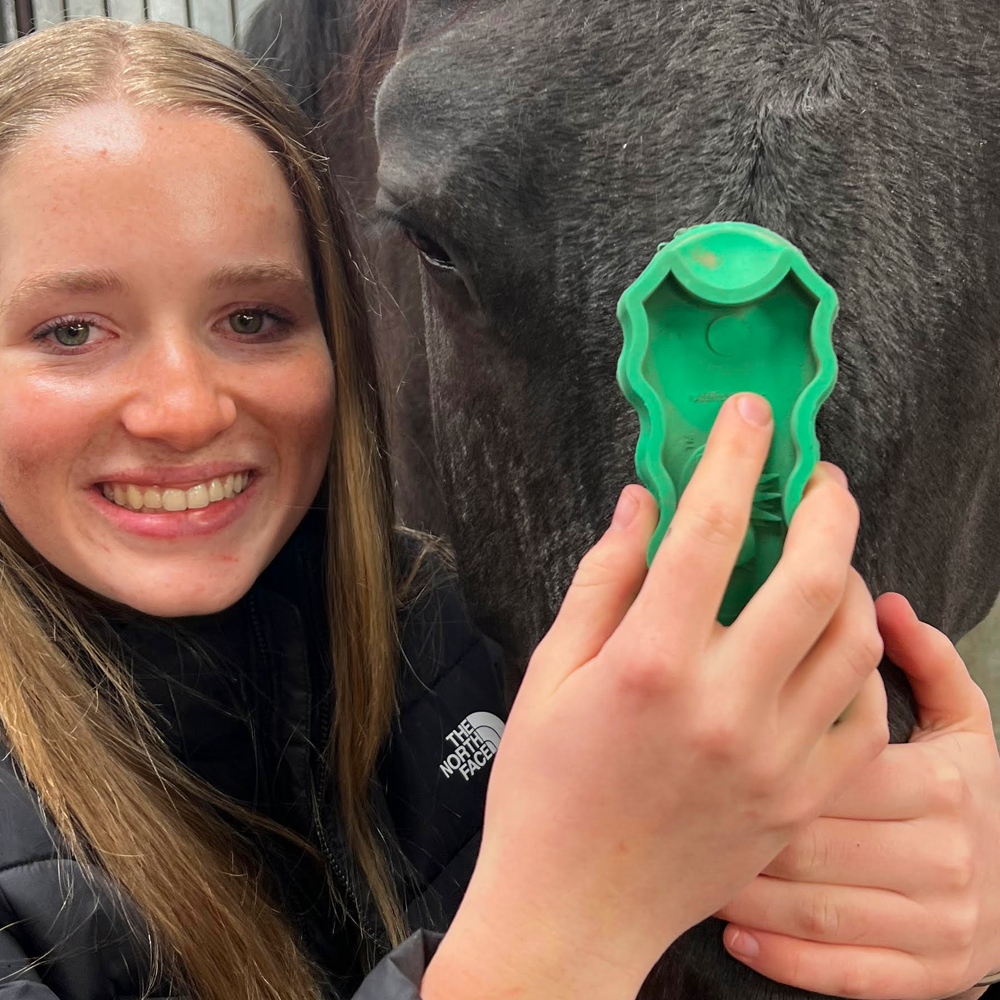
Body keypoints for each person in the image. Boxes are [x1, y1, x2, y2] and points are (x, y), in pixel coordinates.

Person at [0, 15, 994, 1000]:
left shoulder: (434, 631)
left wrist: (939, 888)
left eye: (253, 319)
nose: (183, 409)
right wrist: (564, 926)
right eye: (70, 329)